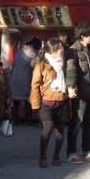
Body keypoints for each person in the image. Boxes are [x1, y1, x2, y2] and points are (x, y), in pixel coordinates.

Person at [66, 21, 90, 164]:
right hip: (81, 91)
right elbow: (71, 70)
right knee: (76, 122)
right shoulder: (73, 50)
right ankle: (71, 152)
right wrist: (70, 86)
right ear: (82, 36)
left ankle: (87, 150)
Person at [30, 37, 70, 168]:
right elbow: (35, 85)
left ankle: (56, 155)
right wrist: (35, 105)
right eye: (58, 48)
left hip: (62, 101)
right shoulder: (41, 65)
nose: (61, 50)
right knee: (48, 128)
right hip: (47, 102)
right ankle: (42, 155)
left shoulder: (65, 63)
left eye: (62, 47)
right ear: (52, 51)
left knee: (60, 130)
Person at [10, 38, 41, 125]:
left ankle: (14, 120)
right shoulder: (33, 55)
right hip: (26, 80)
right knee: (28, 101)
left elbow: (13, 64)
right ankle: (28, 121)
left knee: (15, 101)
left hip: (15, 79)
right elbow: (35, 66)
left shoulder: (20, 52)